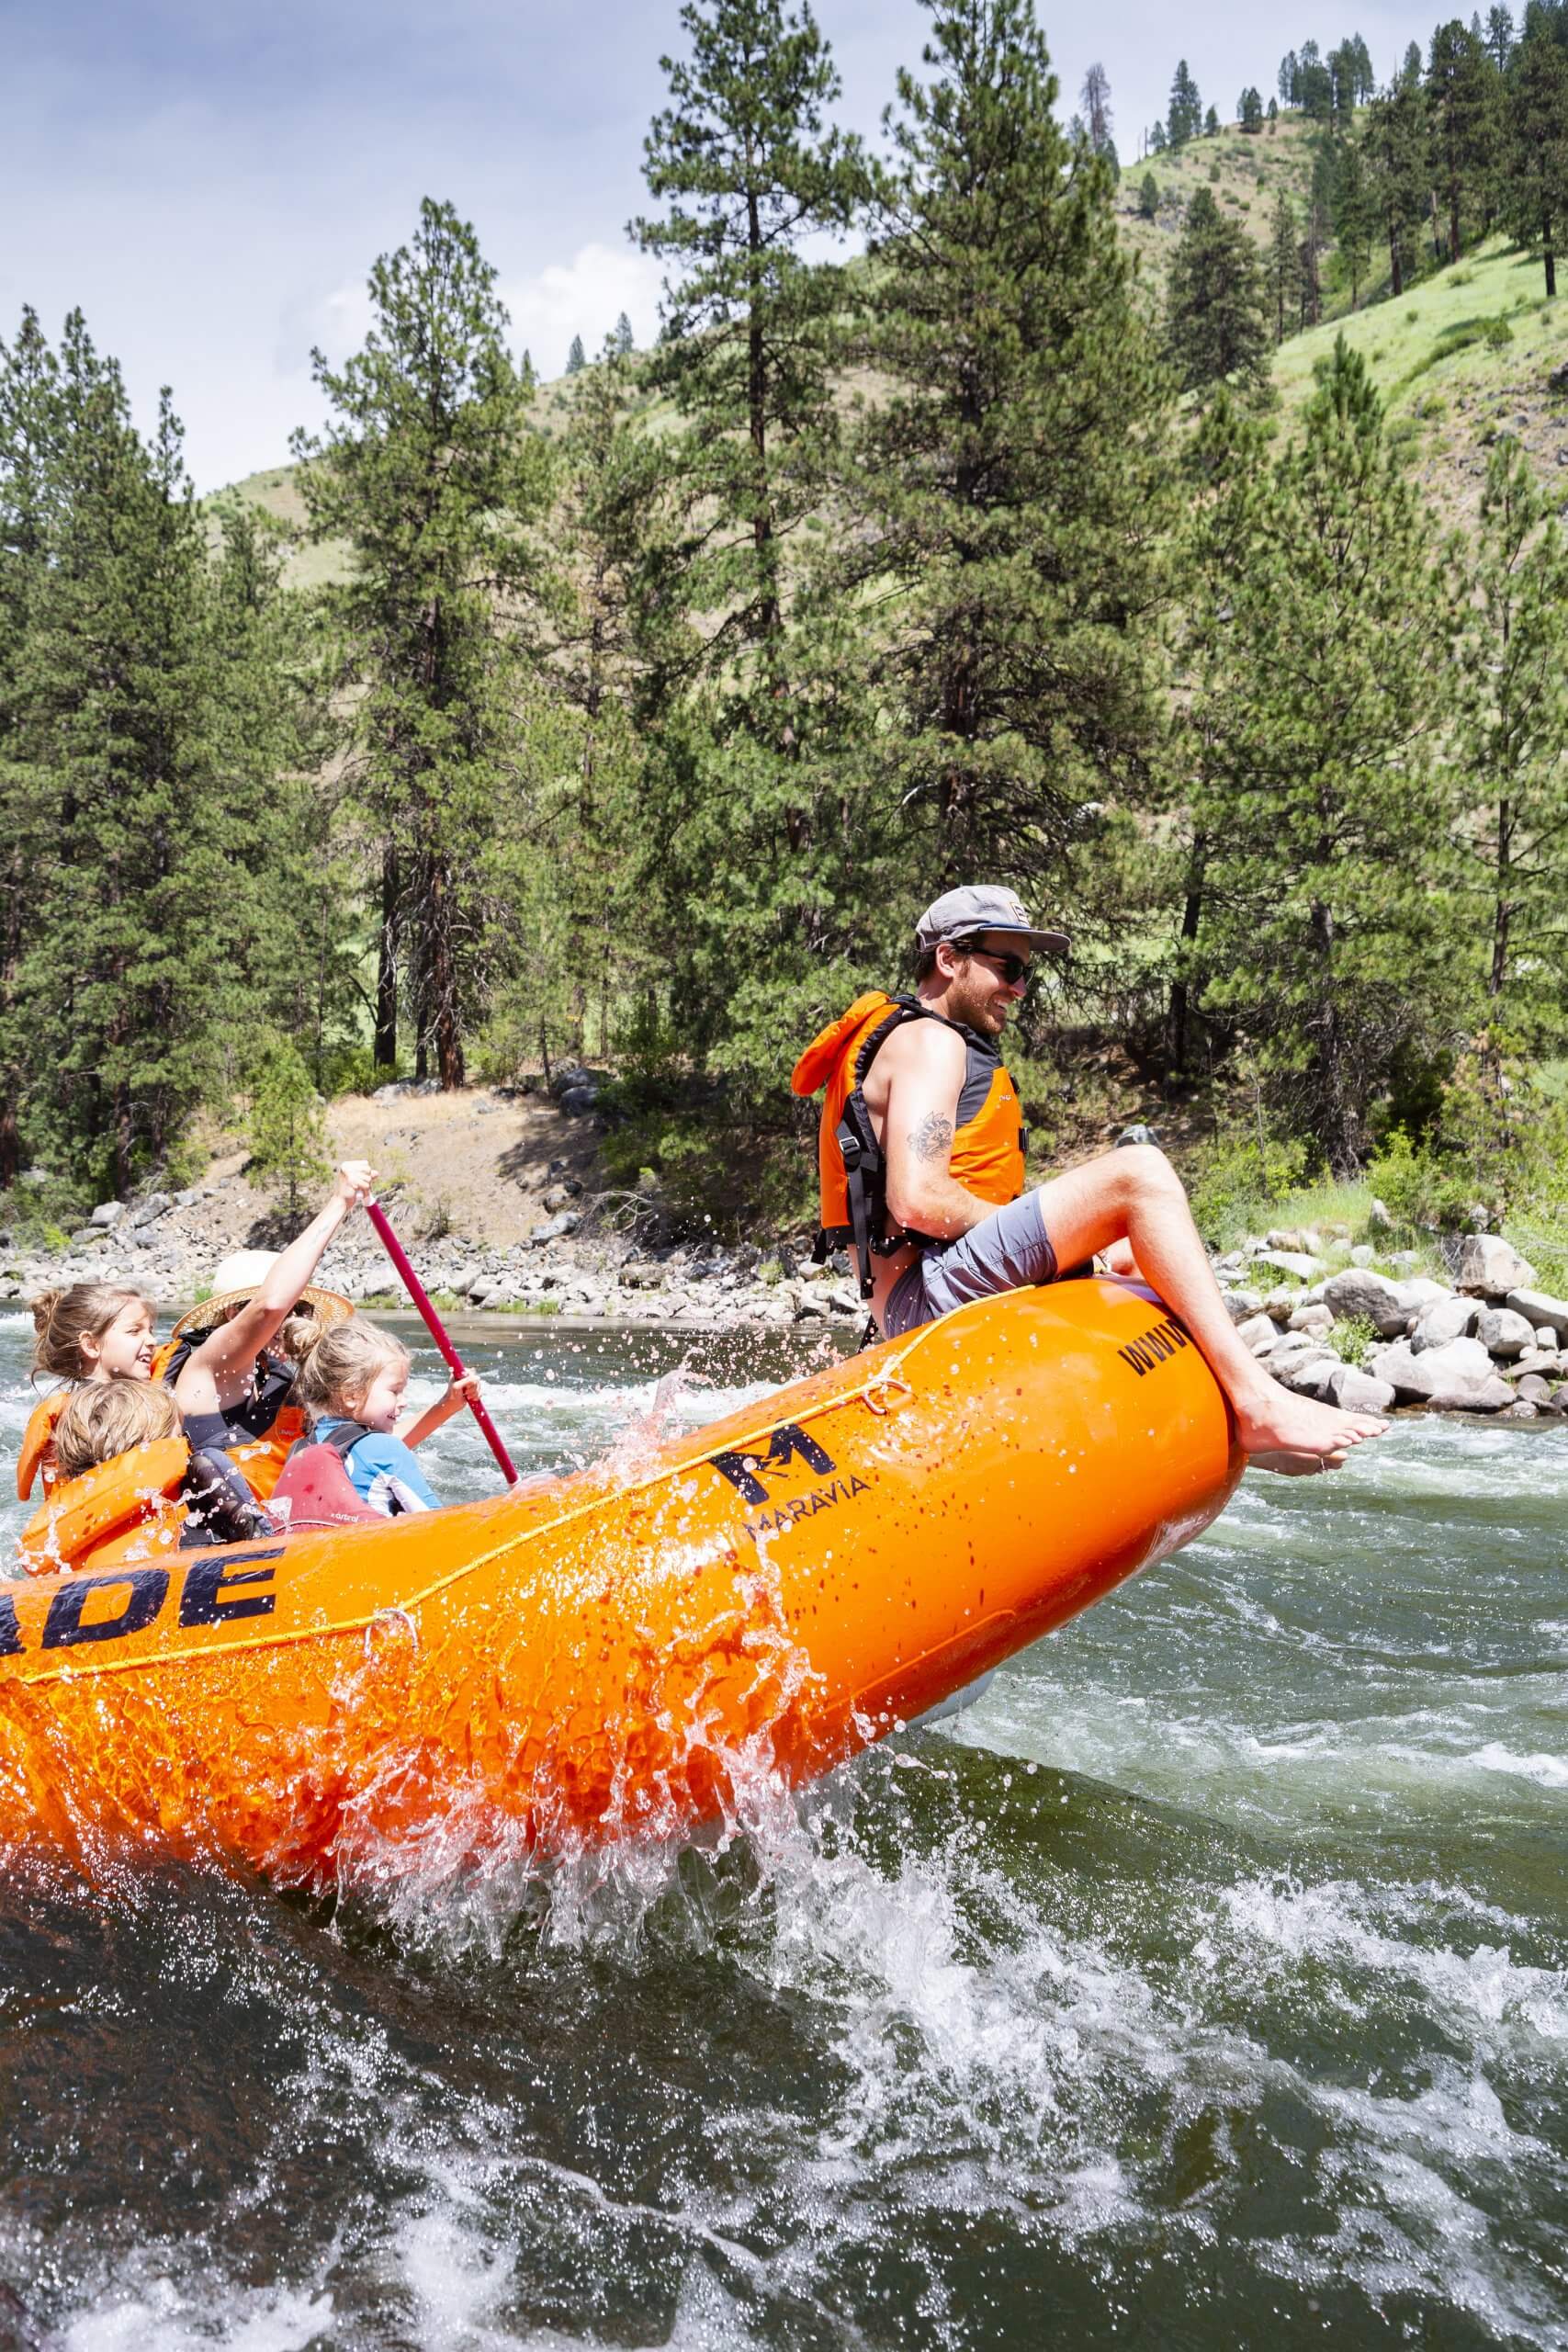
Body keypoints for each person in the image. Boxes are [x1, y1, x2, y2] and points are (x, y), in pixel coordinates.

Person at [792, 884, 1386, 1475]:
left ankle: (1225, 1426)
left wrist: (1078, 1248)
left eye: (1027, 973)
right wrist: (1056, 1242)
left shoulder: (915, 1037)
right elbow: (918, 1201)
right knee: (1138, 1174)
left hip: (913, 1293)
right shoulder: (928, 1040)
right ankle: (1256, 1401)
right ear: (949, 959)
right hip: (922, 1299)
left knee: (1133, 1254)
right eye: (1009, 966)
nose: (1020, 988)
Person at [290, 1316, 482, 1517]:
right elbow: (436, 1522)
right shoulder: (385, 1449)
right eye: (395, 1391)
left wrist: (448, 1404)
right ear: (351, 1395)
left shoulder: (300, 1449)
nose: (404, 1401)